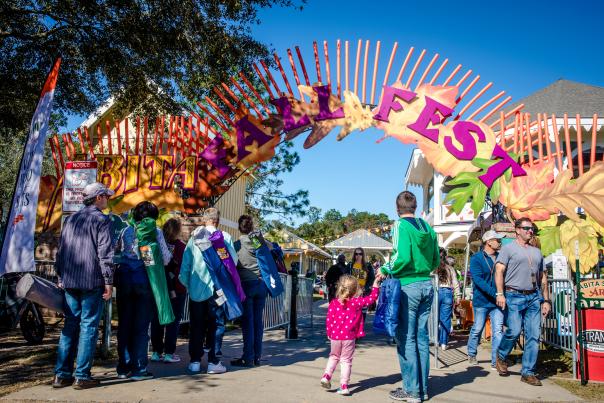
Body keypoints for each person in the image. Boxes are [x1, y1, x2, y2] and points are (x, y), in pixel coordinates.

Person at [53, 182, 115, 389]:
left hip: (70, 280)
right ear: (98, 197)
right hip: (92, 280)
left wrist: (60, 276)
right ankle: (82, 375)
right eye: (106, 195)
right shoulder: (102, 220)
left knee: (71, 324)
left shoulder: (70, 220)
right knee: (88, 326)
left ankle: (61, 375)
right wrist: (108, 281)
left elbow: (60, 251)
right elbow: (105, 253)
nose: (107, 199)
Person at [380, 191, 439, 403]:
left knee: (406, 339)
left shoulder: (400, 226)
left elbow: (401, 257)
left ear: (397, 208)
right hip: (426, 284)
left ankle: (411, 391)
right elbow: (435, 260)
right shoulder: (428, 228)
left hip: (407, 286)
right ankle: (422, 389)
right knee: (422, 339)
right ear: (414, 207)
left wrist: (384, 269)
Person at [114, 201, 172, 381]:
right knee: (141, 327)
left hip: (124, 281)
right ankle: (139, 368)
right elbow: (165, 259)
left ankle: (124, 367)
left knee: (124, 324)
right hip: (145, 282)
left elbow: (116, 252)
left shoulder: (125, 231)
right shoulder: (157, 232)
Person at [179, 207, 241, 374]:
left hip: (197, 289)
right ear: (218, 221)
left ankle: (194, 361)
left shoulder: (194, 239)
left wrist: (187, 283)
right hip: (218, 290)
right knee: (217, 324)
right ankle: (214, 362)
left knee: (196, 325)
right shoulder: (225, 237)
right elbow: (233, 263)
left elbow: (186, 263)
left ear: (204, 220)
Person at [495, 218, 551, 386]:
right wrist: (500, 294)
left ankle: (528, 372)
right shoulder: (508, 248)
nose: (530, 230)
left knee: (533, 335)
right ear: (517, 230)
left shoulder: (537, 252)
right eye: (526, 228)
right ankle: (502, 355)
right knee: (514, 330)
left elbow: (543, 278)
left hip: (533, 297)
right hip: (513, 295)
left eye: (531, 228)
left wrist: (546, 300)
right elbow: (499, 271)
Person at [320, 274, 382, 395]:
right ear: (355, 290)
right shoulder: (356, 303)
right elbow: (372, 298)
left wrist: (329, 333)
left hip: (335, 336)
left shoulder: (333, 303)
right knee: (346, 361)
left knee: (333, 357)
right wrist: (375, 284)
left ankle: (326, 376)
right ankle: (344, 386)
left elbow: (329, 319)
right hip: (349, 337)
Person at [231, 215, 269, 367]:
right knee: (258, 322)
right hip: (262, 284)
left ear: (239, 227)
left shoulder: (236, 245)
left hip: (246, 284)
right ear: (252, 227)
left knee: (248, 322)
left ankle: (248, 357)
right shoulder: (258, 242)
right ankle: (257, 357)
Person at [466, 230, 505, 369]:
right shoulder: (476, 258)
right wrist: (496, 293)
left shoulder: (501, 257)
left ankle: (496, 361)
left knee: (498, 331)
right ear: (489, 242)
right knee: (477, 328)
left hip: (497, 302)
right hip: (482, 301)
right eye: (497, 240)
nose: (499, 242)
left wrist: (501, 294)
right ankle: (471, 353)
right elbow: (478, 280)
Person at [150, 218, 187, 363]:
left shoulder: (157, 244)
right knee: (173, 321)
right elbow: (185, 268)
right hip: (177, 288)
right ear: (178, 231)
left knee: (157, 319)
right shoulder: (182, 247)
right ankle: (169, 353)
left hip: (159, 286)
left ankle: (156, 352)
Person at [436, 248, 460, 350]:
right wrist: (457, 296)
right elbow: (455, 283)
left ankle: (435, 339)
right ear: (445, 256)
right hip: (447, 293)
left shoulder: (433, 267)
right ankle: (444, 343)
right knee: (445, 319)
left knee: (434, 318)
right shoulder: (450, 268)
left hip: (436, 292)